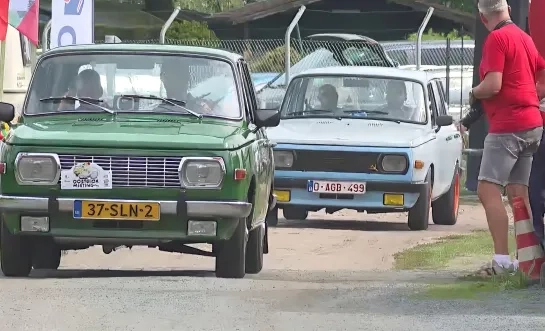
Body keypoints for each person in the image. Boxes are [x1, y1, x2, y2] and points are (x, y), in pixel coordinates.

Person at [459, 0, 545, 274]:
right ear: (507, 9)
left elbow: (493, 85)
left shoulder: (496, 39)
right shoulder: (525, 38)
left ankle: (501, 260)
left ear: (483, 18)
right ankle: (529, 258)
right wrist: (532, 96)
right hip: (533, 124)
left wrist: (474, 91)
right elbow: (542, 73)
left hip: (508, 126)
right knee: (519, 192)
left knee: (487, 189)